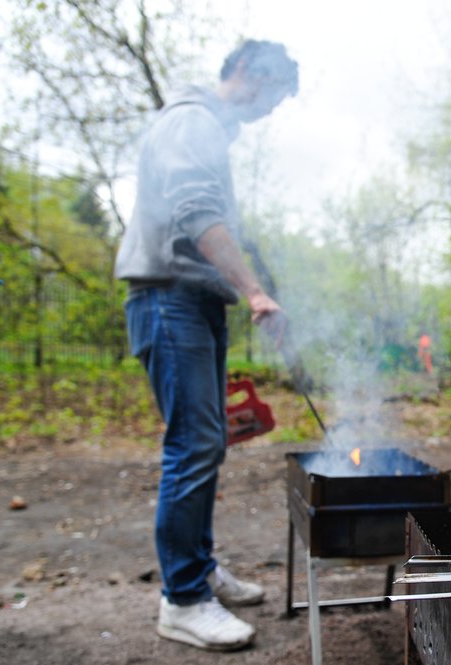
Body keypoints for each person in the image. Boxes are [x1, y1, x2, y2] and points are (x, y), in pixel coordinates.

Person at [114, 39, 299, 650]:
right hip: (169, 301)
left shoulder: (210, 130)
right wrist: (252, 291)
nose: (270, 109)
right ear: (246, 71)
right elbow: (196, 213)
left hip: (192, 303)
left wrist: (252, 285)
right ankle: (183, 598)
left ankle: (197, 566)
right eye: (271, 93)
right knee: (192, 444)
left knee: (207, 440)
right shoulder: (191, 121)